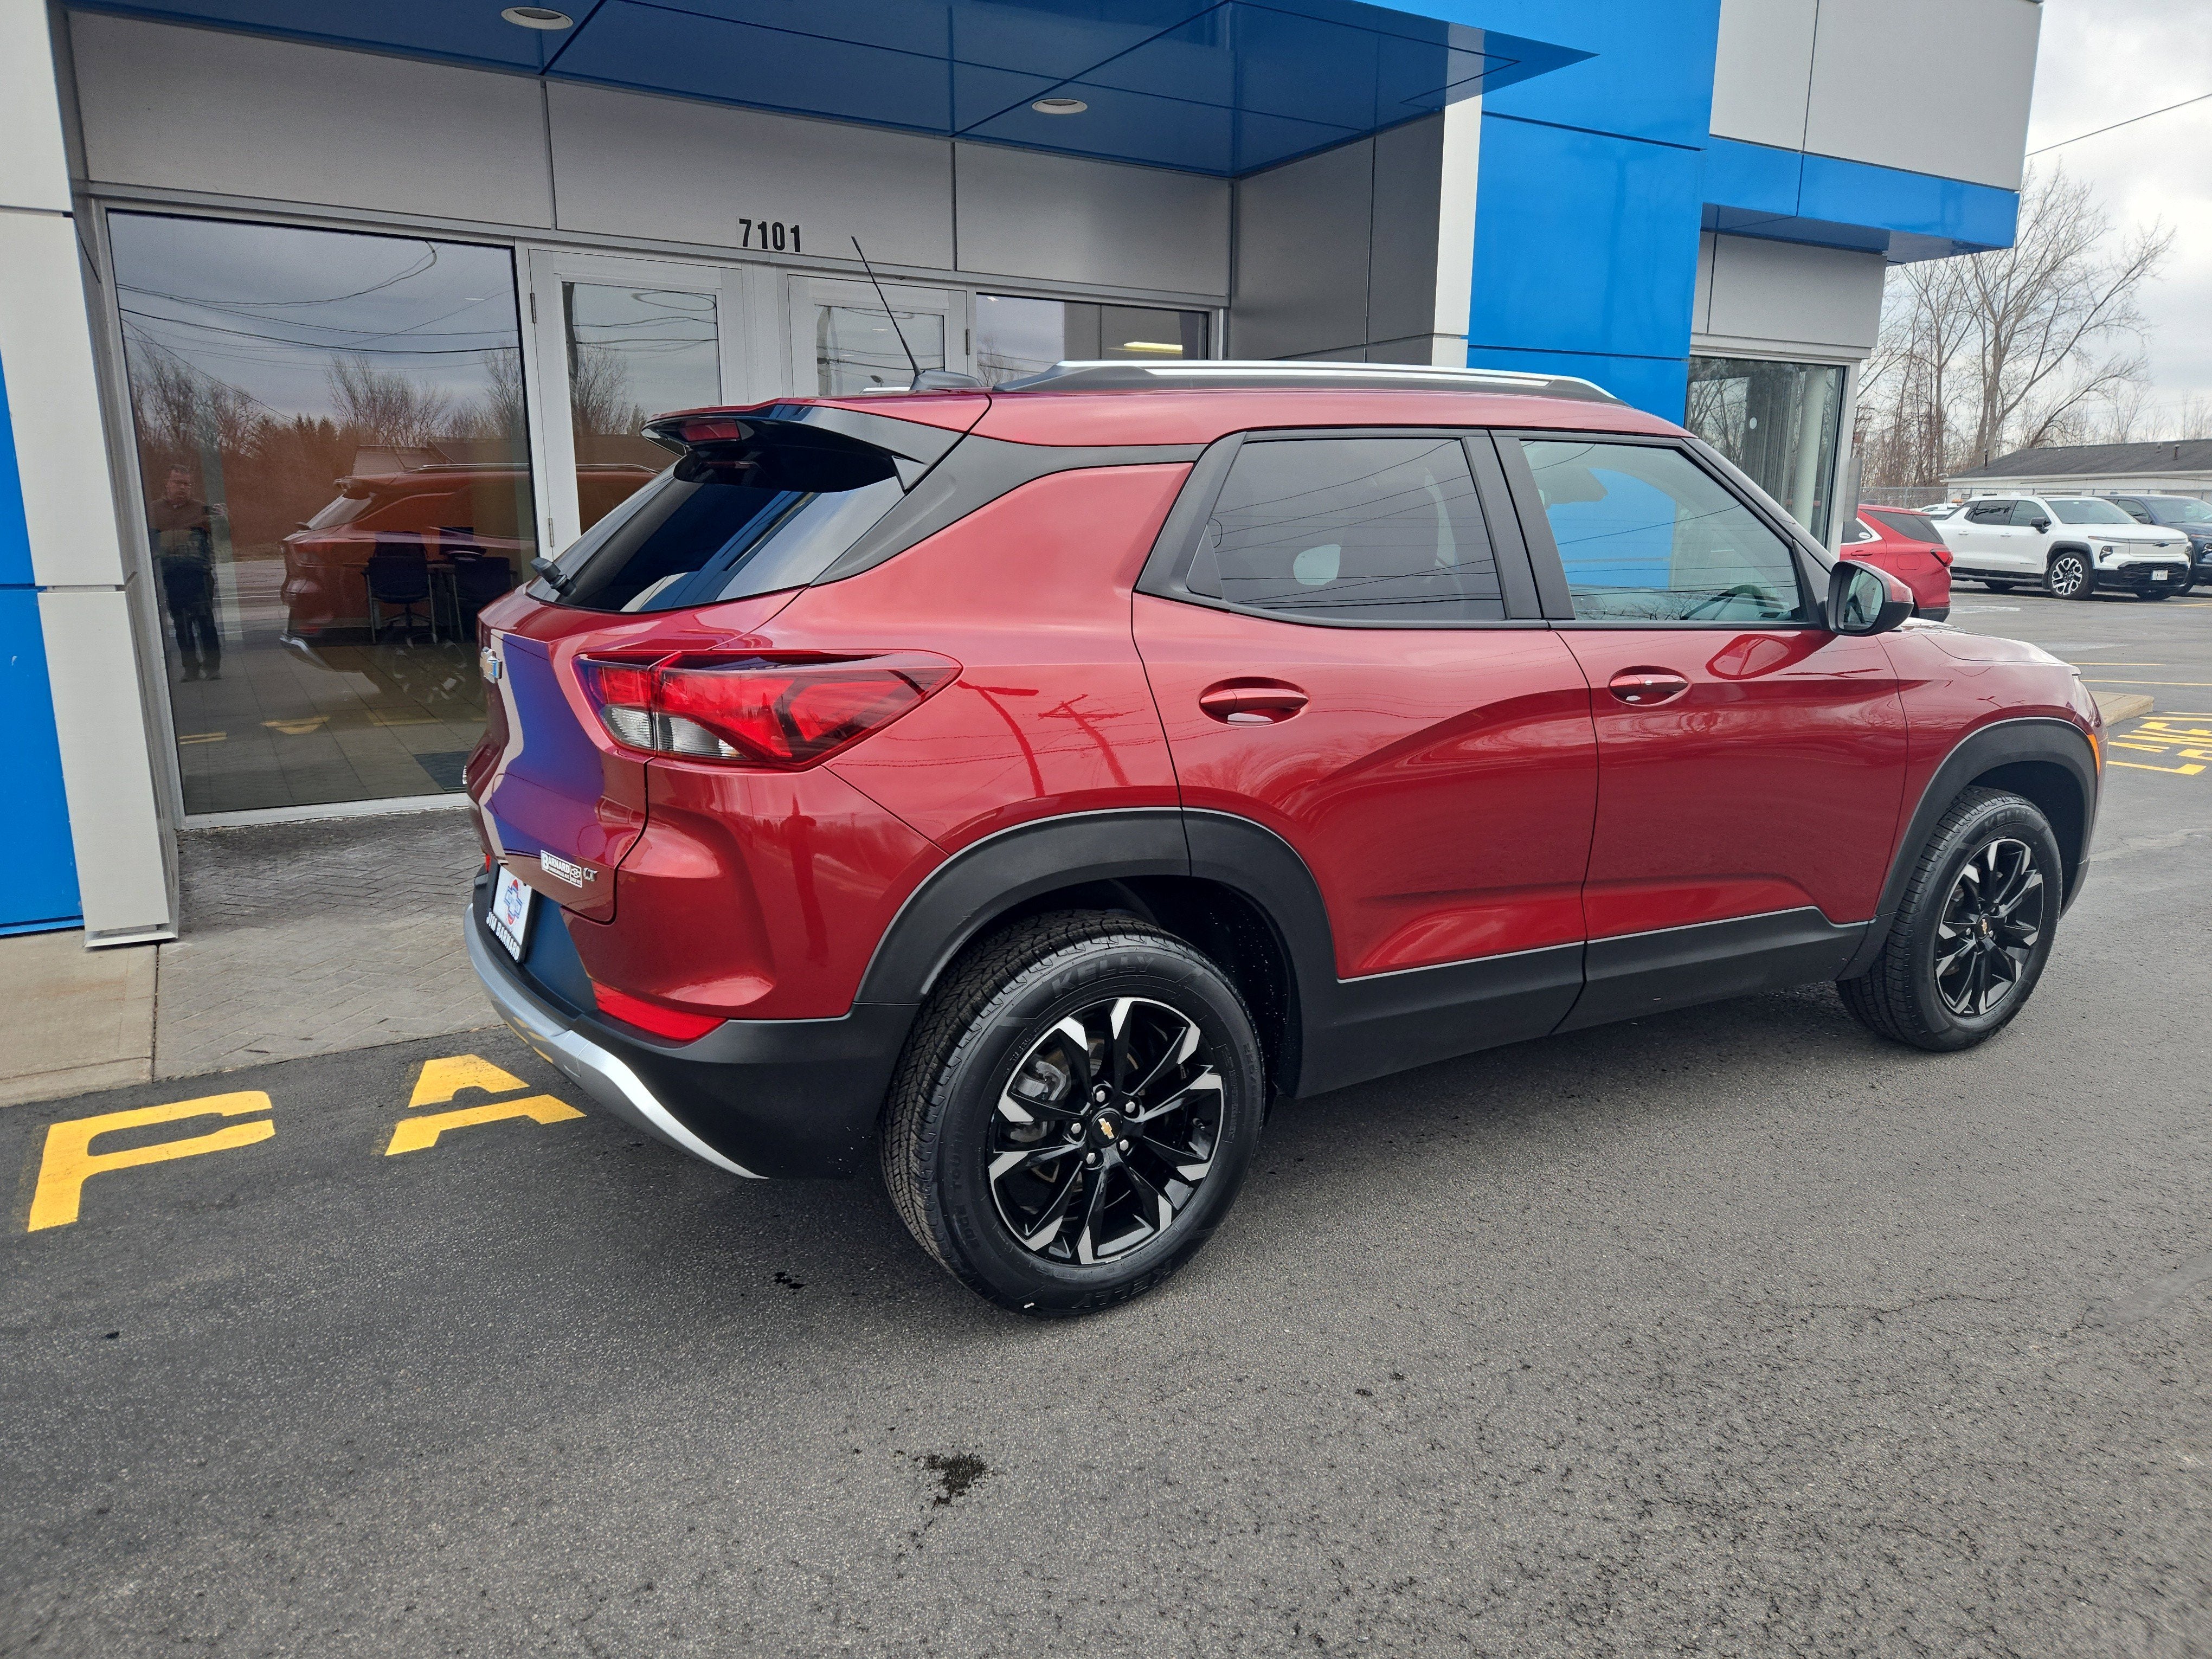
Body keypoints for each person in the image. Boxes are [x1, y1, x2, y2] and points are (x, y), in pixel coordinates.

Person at [150, 466, 221, 681]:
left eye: (187, 484)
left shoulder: (201, 509)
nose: (183, 488)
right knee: (181, 623)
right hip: (171, 574)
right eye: (178, 483)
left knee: (205, 621)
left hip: (198, 574)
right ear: (167, 483)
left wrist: (222, 519)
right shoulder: (154, 510)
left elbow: (223, 535)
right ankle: (190, 669)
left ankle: (212, 668)